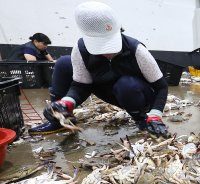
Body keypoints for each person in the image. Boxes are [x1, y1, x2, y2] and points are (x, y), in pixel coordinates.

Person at [28, 2, 169, 137]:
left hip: (136, 95)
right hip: (105, 89)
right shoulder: (81, 49)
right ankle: (61, 118)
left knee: (127, 84)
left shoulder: (136, 50)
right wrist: (66, 102)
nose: (107, 53)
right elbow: (81, 85)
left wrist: (155, 115)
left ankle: (142, 119)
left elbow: (161, 87)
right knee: (64, 63)